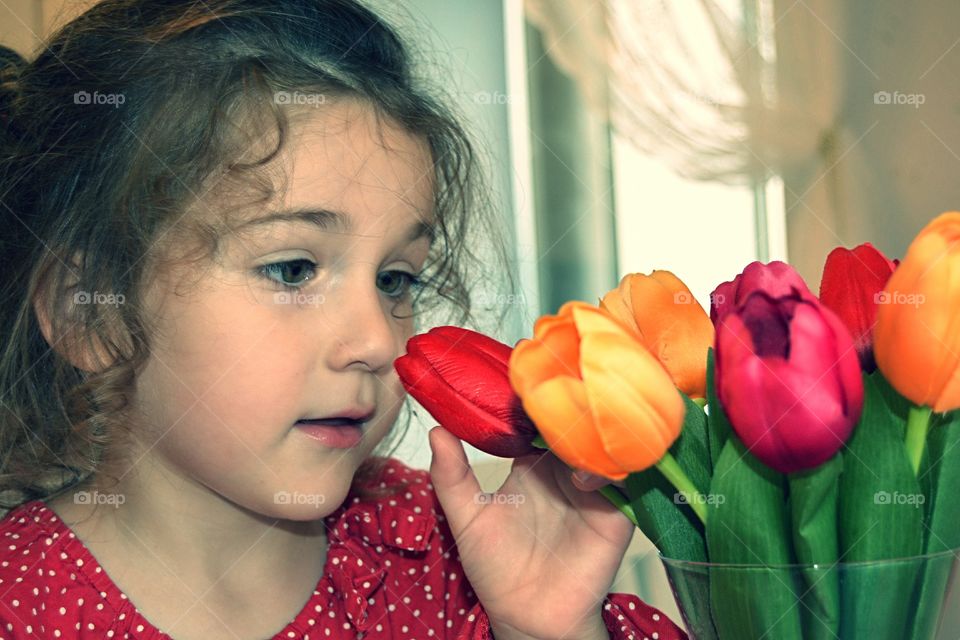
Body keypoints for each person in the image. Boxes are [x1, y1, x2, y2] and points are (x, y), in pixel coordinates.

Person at [0, 1, 687, 638]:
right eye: (292, 269)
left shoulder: (456, 561)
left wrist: (548, 629)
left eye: (396, 279)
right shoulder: (19, 601)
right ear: (90, 315)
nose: (380, 340)